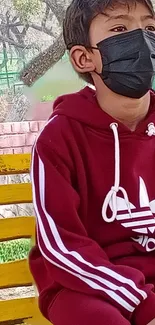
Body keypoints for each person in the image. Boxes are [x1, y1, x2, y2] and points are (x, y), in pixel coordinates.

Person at [29, 0, 155, 324]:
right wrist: (141, 303)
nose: (141, 39)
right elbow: (62, 248)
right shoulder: (58, 139)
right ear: (84, 58)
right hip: (82, 284)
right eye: (120, 29)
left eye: (150, 28)